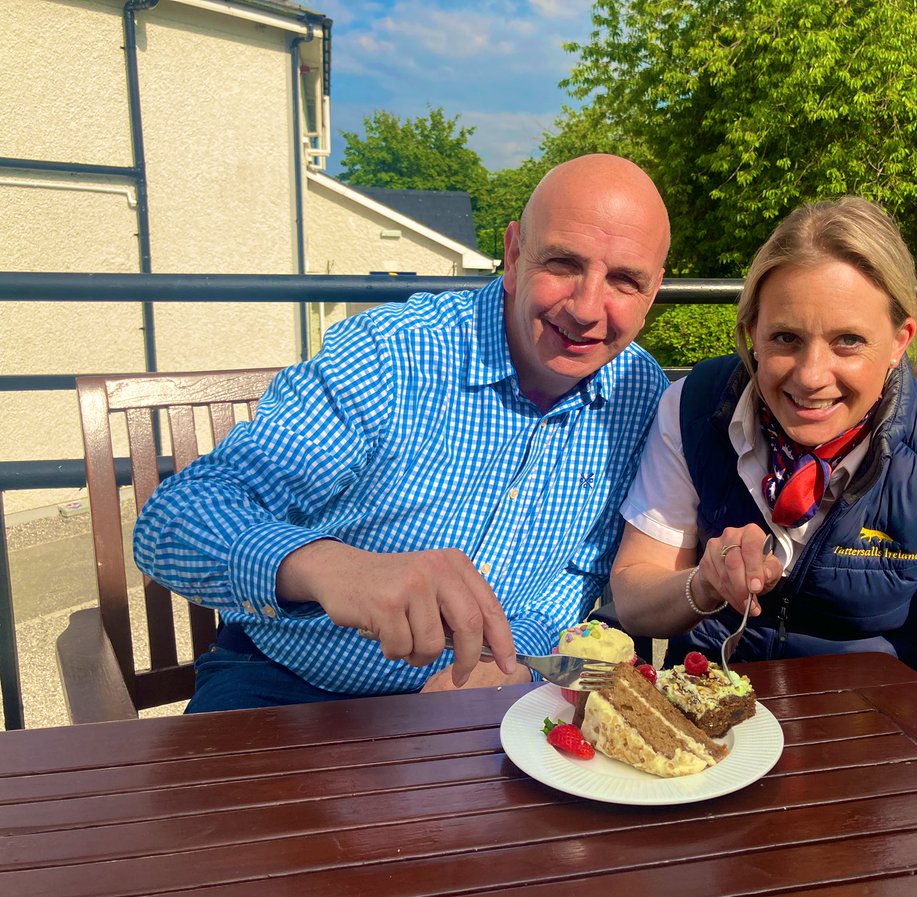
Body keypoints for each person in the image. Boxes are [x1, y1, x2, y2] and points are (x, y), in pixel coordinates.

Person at [133, 153, 671, 711]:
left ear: (653, 291)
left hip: (487, 698)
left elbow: (567, 581)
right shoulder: (391, 354)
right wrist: (330, 566)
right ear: (513, 256)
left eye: (625, 280)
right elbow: (171, 519)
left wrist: (502, 662)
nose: (587, 308)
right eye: (562, 263)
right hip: (286, 684)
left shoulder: (640, 397)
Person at [609, 197, 917, 740]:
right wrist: (704, 583)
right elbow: (634, 597)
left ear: (899, 341)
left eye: (848, 342)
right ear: (751, 334)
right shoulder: (692, 410)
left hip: (870, 749)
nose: (812, 376)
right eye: (785, 338)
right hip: (710, 736)